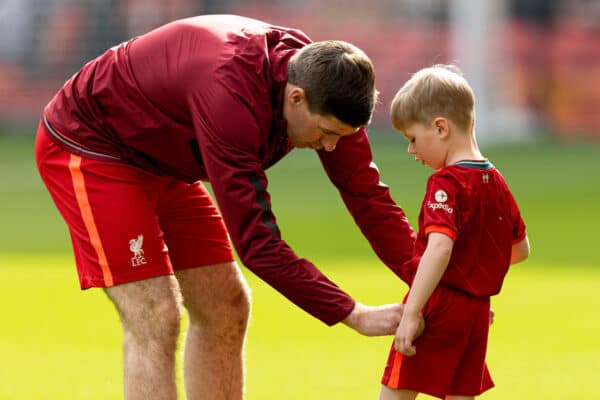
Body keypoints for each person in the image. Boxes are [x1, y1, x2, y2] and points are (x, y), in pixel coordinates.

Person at [34, 14, 417, 400]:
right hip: (93, 147)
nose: (332, 146)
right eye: (327, 134)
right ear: (296, 97)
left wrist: (430, 280)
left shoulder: (328, 84)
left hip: (158, 156)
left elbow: (367, 196)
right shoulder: (230, 99)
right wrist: (352, 313)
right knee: (155, 316)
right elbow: (259, 246)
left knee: (226, 306)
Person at [379, 65, 530, 400]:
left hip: (437, 304)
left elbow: (439, 249)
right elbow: (521, 250)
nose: (411, 150)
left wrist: (413, 313)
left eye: (412, 139)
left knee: (396, 392)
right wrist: (473, 281)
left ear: (440, 127)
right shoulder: (497, 182)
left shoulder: (447, 182)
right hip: (475, 311)